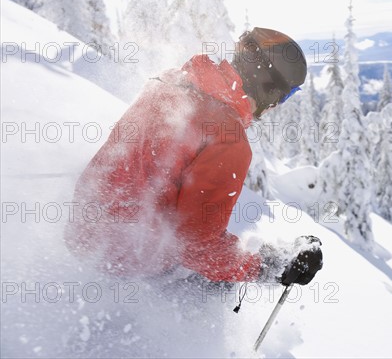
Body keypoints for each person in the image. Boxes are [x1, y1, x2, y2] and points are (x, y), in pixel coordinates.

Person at [64, 27, 322, 286]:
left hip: (81, 232)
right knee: (217, 284)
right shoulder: (228, 137)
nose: (279, 104)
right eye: (286, 94)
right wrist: (269, 268)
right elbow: (197, 245)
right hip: (123, 259)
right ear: (268, 86)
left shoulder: (170, 82)